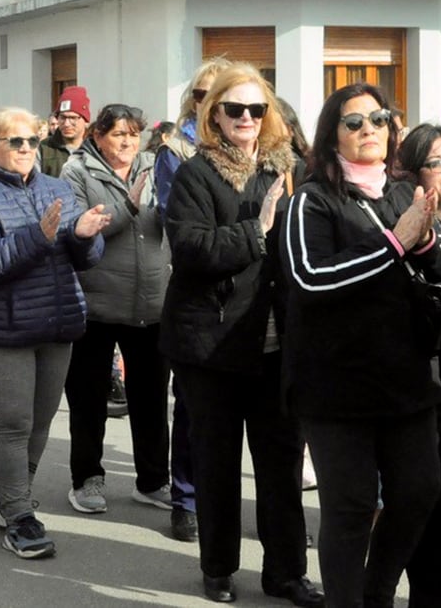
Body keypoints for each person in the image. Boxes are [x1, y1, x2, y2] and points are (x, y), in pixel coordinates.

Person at [161, 64, 317, 606]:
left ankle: (286, 573)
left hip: (277, 347)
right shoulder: (196, 174)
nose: (246, 119)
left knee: (281, 468)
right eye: (234, 109)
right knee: (218, 464)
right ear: (214, 115)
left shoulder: (291, 168)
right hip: (212, 347)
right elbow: (191, 250)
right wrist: (257, 230)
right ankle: (219, 567)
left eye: (256, 109)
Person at [281, 84, 441, 608]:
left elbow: (428, 272)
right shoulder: (311, 198)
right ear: (332, 139)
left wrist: (426, 241)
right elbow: (310, 277)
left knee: (418, 493)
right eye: (354, 123)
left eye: (378, 118)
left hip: (405, 379)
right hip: (335, 386)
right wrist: (396, 242)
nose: (369, 128)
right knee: (349, 510)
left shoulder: (403, 191)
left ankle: (376, 594)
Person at [0, 107, 110, 559]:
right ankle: (19, 512)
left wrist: (83, 236)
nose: (26, 149)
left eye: (30, 141)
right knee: (12, 424)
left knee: (41, 421)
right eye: (14, 142)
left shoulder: (57, 186)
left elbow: (86, 258)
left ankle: (14, 497)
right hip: (4, 327)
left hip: (58, 322)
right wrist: (39, 237)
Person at [59, 103, 172, 516]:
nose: (127, 142)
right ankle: (86, 478)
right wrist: (129, 207)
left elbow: (171, 216)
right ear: (97, 136)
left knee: (152, 398)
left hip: (151, 302)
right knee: (88, 400)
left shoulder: (156, 164)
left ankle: (154, 480)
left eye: (133, 134)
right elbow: (80, 230)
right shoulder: (76, 172)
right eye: (117, 134)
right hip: (96, 303)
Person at [155, 56, 231, 544]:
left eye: (222, 98)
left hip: (249, 302)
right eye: (202, 96)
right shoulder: (175, 150)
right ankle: (186, 499)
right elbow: (179, 224)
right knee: (192, 408)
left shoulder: (263, 149)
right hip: (198, 295)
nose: (215, 108)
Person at [395, 123, 441, 605]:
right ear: (415, 171)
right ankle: (431, 593)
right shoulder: (405, 221)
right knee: (428, 496)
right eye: (437, 162)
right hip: (424, 382)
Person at [40, 86, 91, 177]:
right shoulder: (43, 149)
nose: (66, 124)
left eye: (73, 118)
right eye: (62, 117)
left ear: (86, 121)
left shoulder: (96, 148)